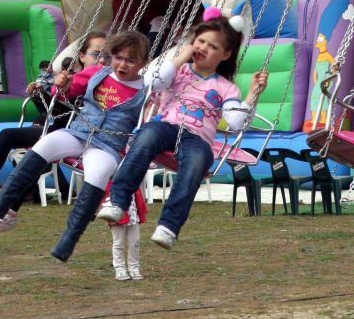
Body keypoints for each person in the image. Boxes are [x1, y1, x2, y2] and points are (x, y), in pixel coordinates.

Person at [0, 31, 152, 263]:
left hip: (108, 146)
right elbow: (65, 91)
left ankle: (68, 240)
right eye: (118, 57)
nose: (122, 64)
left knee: (98, 175)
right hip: (78, 132)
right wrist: (63, 84)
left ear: (143, 63)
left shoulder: (146, 89)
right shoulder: (98, 73)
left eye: (131, 60)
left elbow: (149, 119)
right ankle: (2, 203)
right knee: (46, 143)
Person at [97, 14, 267, 250]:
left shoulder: (226, 87)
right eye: (201, 41)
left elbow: (236, 122)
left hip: (198, 139)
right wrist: (179, 59)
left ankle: (168, 226)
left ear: (225, 55)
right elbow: (152, 83)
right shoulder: (177, 72)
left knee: (196, 164)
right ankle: (117, 201)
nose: (204, 48)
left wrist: (252, 95)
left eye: (213, 46)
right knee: (146, 136)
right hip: (166, 126)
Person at [0, 31, 107, 230]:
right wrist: (39, 95)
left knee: (17, 142)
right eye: (96, 54)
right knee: (21, 146)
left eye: (107, 55)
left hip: (74, 133)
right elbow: (57, 110)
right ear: (82, 55)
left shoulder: (101, 80)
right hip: (59, 129)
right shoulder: (72, 79)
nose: (102, 59)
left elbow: (70, 112)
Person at [102, 185, 147, 281]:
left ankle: (134, 268)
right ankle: (120, 269)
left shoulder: (133, 180)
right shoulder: (110, 183)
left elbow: (138, 196)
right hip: (117, 217)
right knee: (119, 243)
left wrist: (141, 211)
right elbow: (105, 197)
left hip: (133, 215)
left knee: (135, 242)